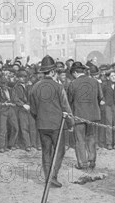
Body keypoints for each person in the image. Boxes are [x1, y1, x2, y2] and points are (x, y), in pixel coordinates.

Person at [29, 55, 73, 188]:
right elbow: (66, 107)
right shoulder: (59, 88)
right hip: (57, 125)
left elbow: (33, 109)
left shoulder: (35, 87)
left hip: (42, 125)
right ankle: (53, 175)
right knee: (59, 151)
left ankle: (48, 176)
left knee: (46, 151)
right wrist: (70, 124)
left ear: (43, 72)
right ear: (53, 72)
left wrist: (39, 119)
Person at [67, 61, 103, 169]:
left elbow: (69, 100)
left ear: (74, 72)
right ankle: (92, 160)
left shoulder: (73, 84)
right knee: (91, 137)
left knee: (80, 139)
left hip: (79, 115)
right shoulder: (95, 82)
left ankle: (82, 163)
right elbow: (100, 97)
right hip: (93, 115)